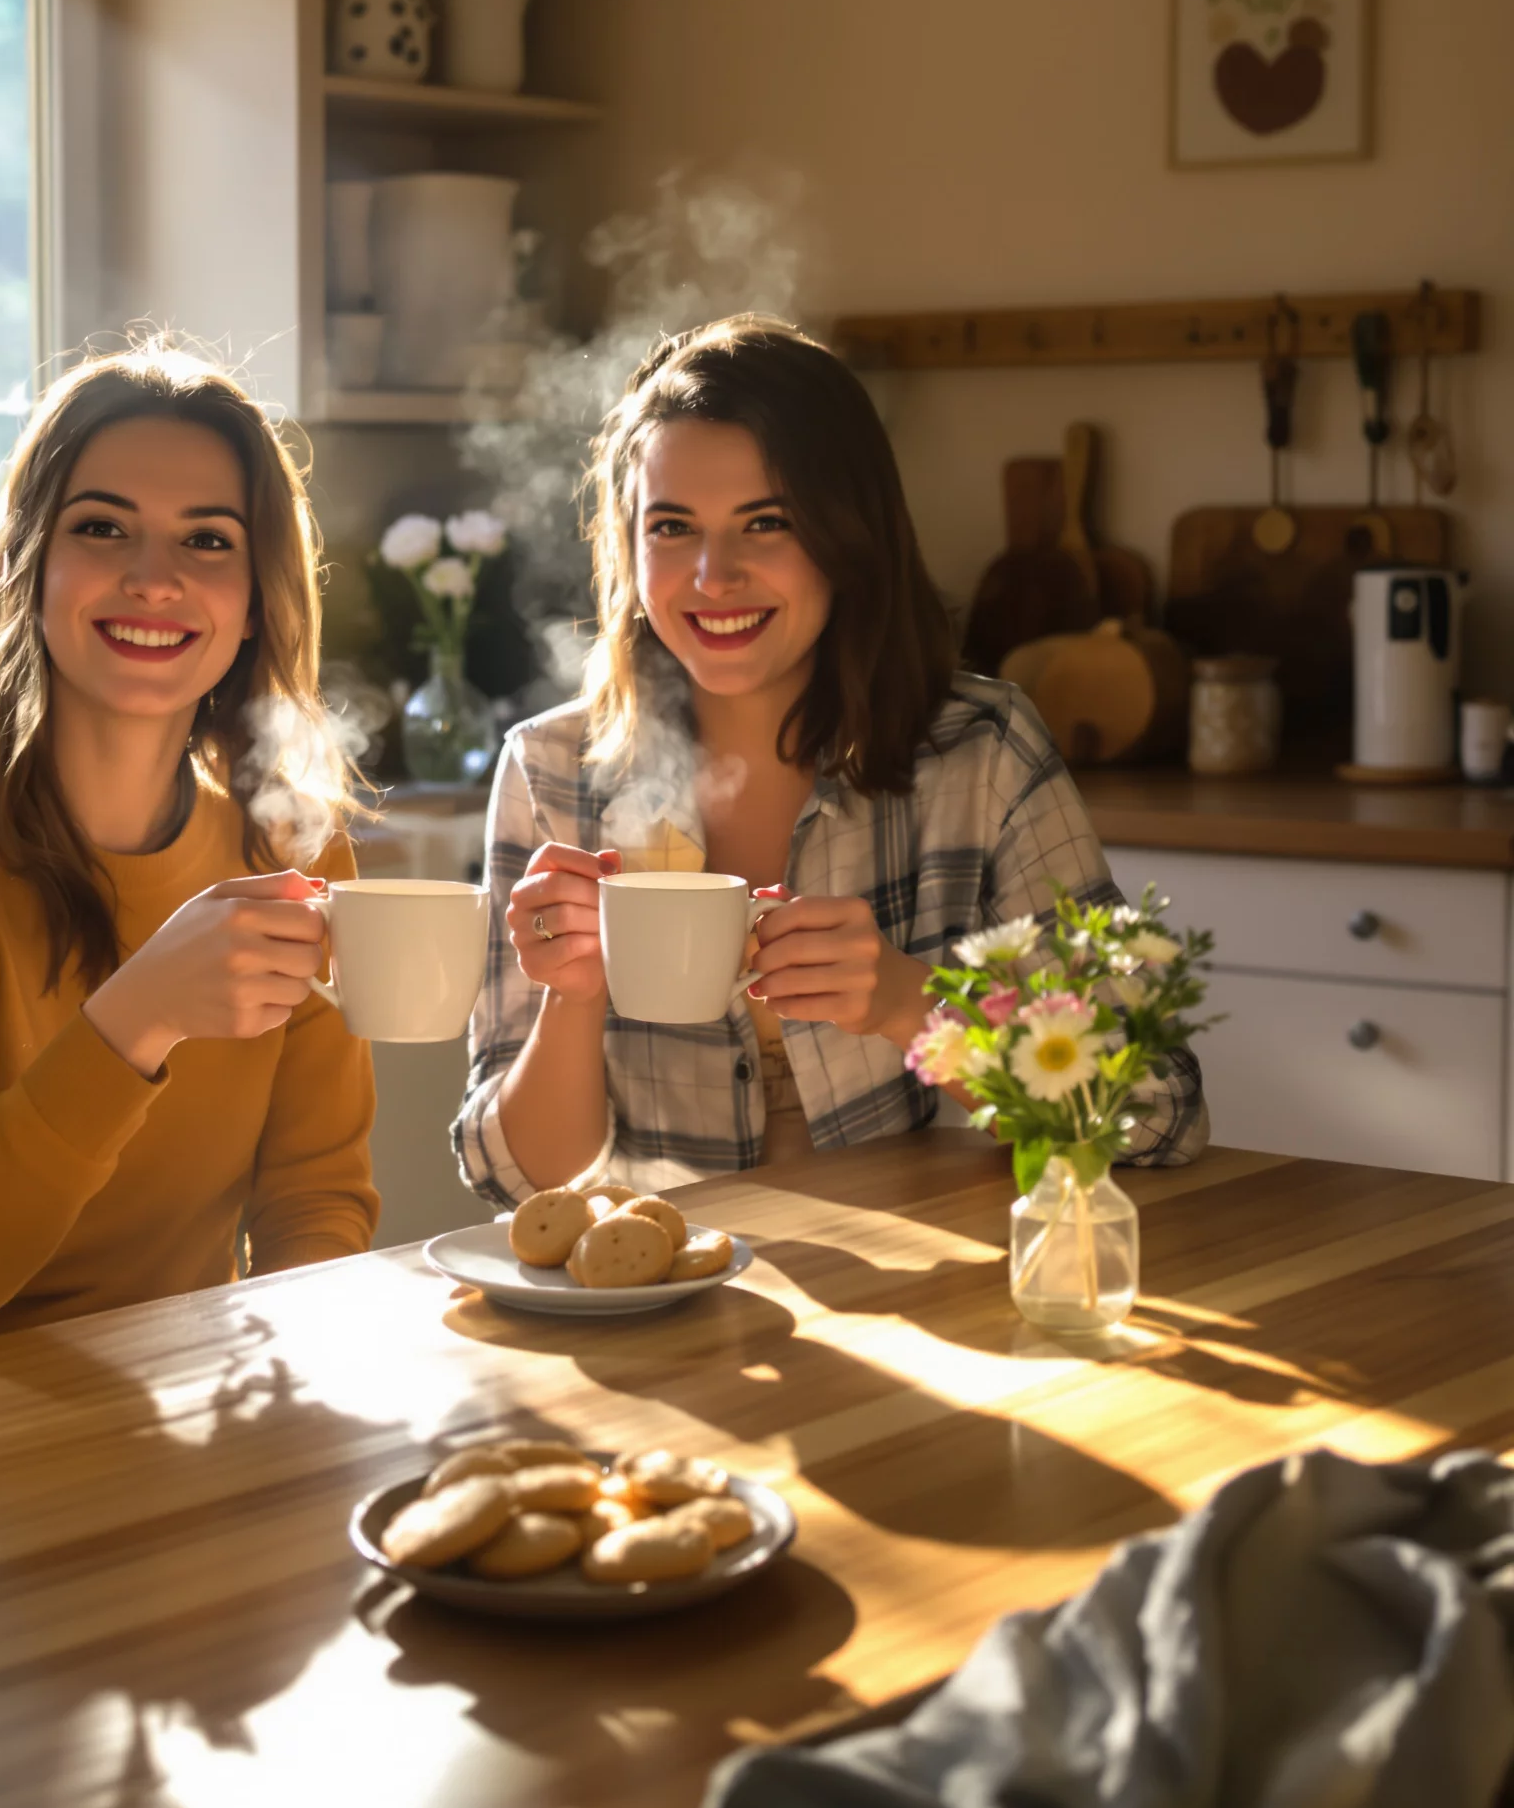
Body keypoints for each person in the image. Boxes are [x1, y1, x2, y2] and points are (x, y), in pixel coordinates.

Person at [453, 315, 1207, 1201]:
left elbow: (1155, 1112)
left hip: (905, 1267)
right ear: (628, 546)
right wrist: (574, 995)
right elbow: (510, 1179)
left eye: (766, 522)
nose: (713, 576)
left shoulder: (981, 753)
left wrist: (908, 1004)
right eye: (673, 526)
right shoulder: (549, 769)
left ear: (849, 537)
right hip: (646, 1273)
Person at [0, 344, 378, 1375]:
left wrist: (290, 1402)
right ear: (31, 561)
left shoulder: (292, 841)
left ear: (252, 602)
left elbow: (316, 1202)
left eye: (208, 540)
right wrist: (136, 1016)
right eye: (102, 527)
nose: (154, 579)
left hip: (175, 1410)